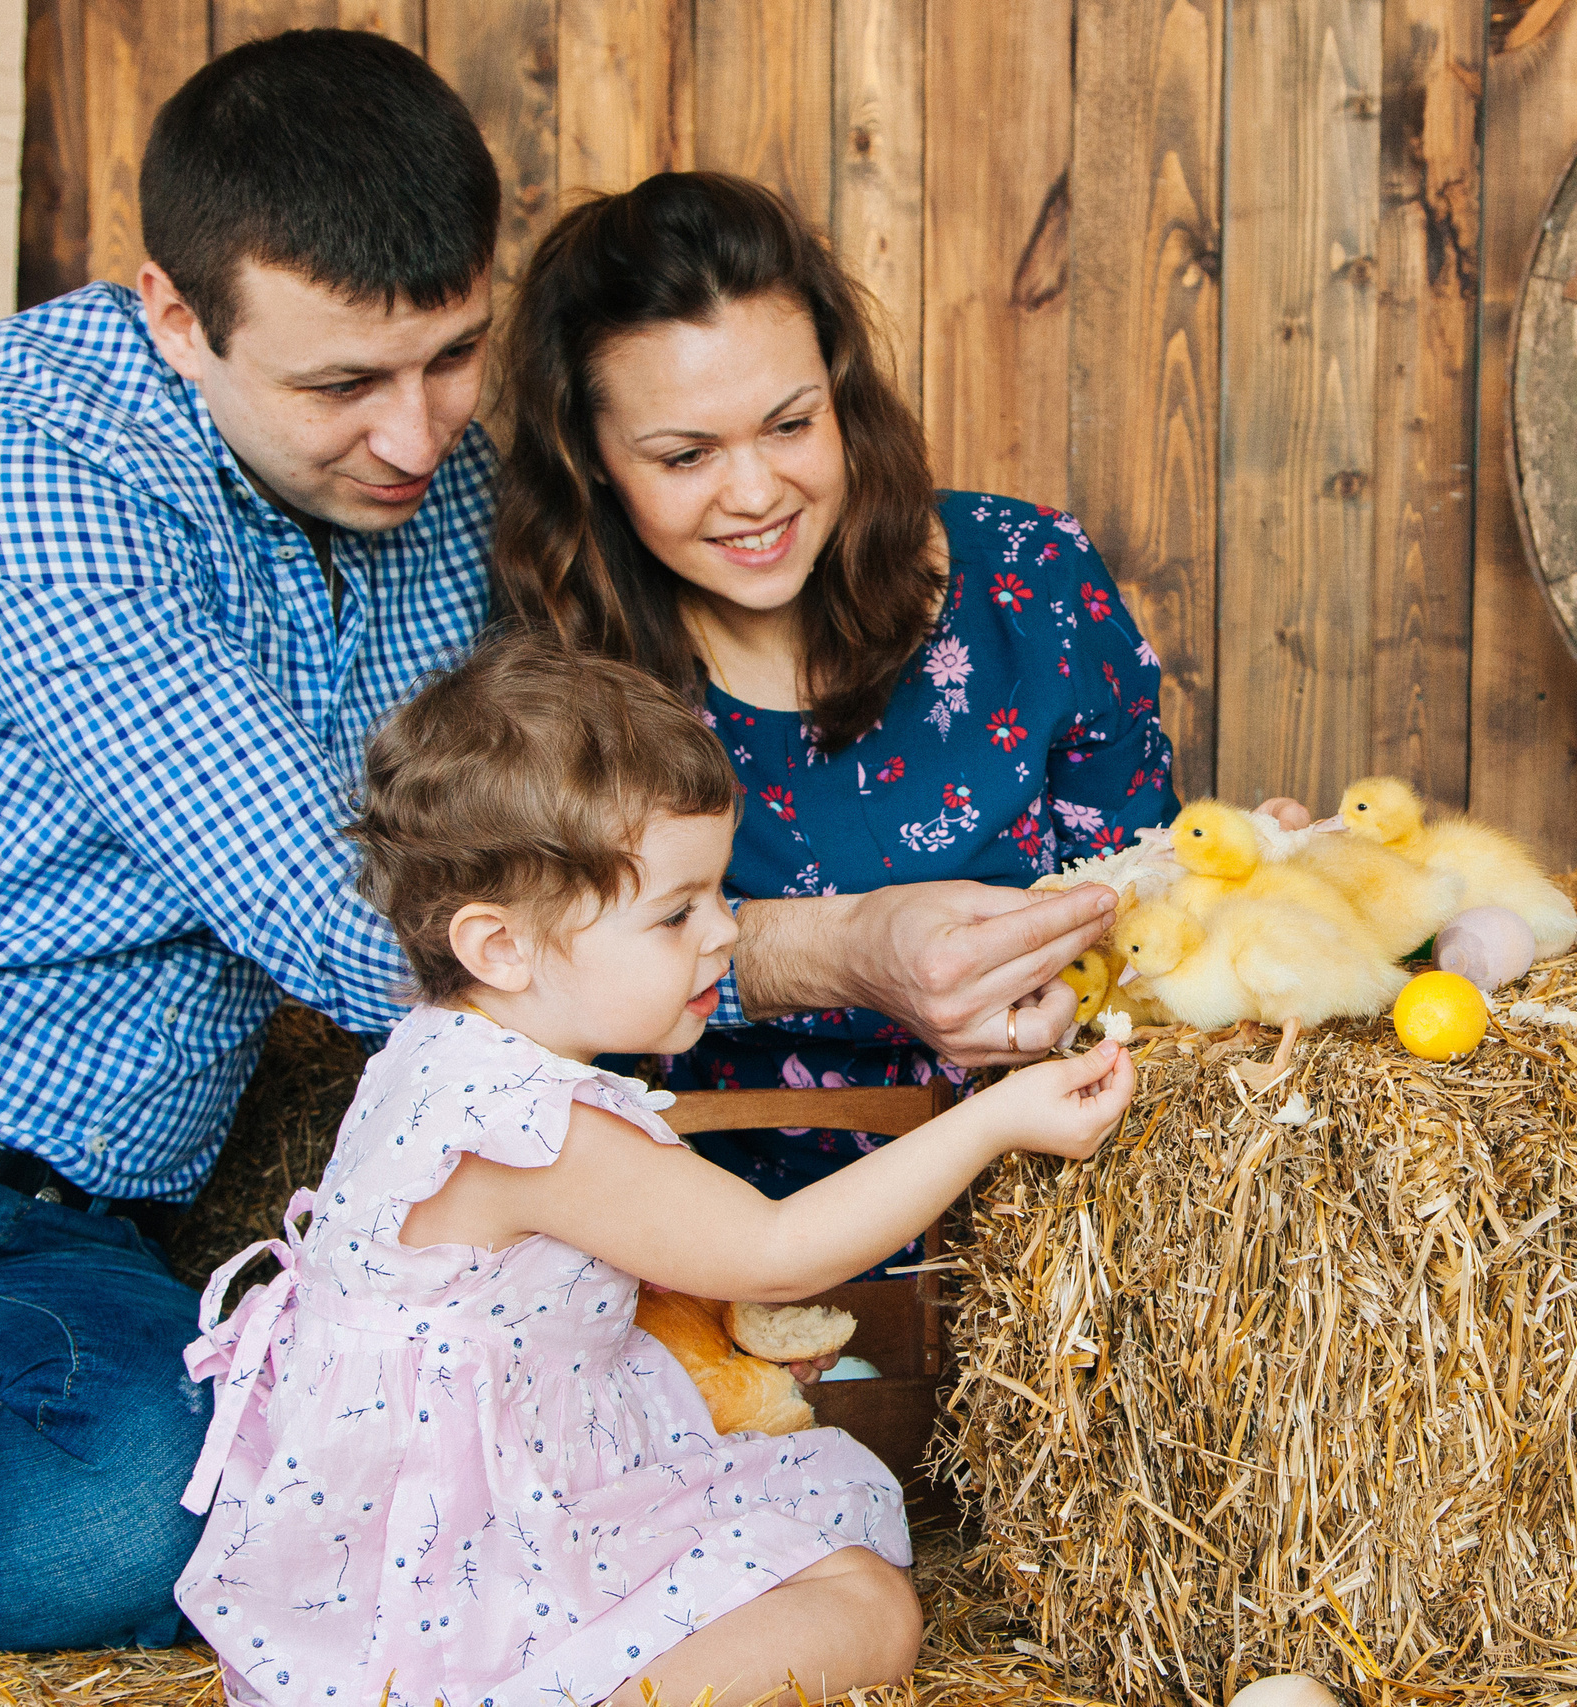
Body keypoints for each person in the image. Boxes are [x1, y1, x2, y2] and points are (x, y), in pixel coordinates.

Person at [0, 33, 1116, 1649]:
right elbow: (361, 920)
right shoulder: (19, 458)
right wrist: (846, 946)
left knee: (150, 1514)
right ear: (177, 314)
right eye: (340, 387)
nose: (413, 437)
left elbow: (567, 822)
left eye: (452, 357)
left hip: (49, 1235)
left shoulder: (451, 494)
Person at [174, 632, 1136, 1707]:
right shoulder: (532, 1125)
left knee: (820, 1546)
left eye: (719, 892)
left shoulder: (439, 1054)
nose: (725, 933)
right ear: (501, 947)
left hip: (482, 1491)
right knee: (869, 1609)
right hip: (470, 1549)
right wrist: (993, 1119)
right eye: (677, 912)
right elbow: (777, 1250)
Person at [491, 173, 1174, 1233]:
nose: (756, 493)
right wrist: (841, 951)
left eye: (790, 424)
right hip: (722, 1231)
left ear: (842, 394)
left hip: (1053, 1215)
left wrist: (1215, 893)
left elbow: (1143, 890)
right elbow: (537, 994)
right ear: (591, 460)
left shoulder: (1030, 576)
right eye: (685, 455)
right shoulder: (561, 681)